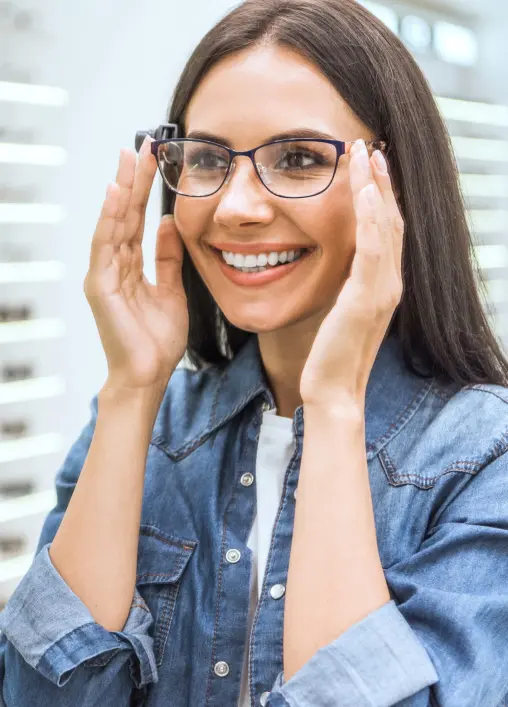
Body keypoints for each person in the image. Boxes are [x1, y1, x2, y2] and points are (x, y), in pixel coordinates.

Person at [2, 0, 508, 705]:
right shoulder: (149, 424)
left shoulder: (485, 457)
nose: (237, 206)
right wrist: (130, 388)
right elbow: (38, 696)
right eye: (208, 159)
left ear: (393, 183)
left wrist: (332, 405)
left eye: (298, 158)